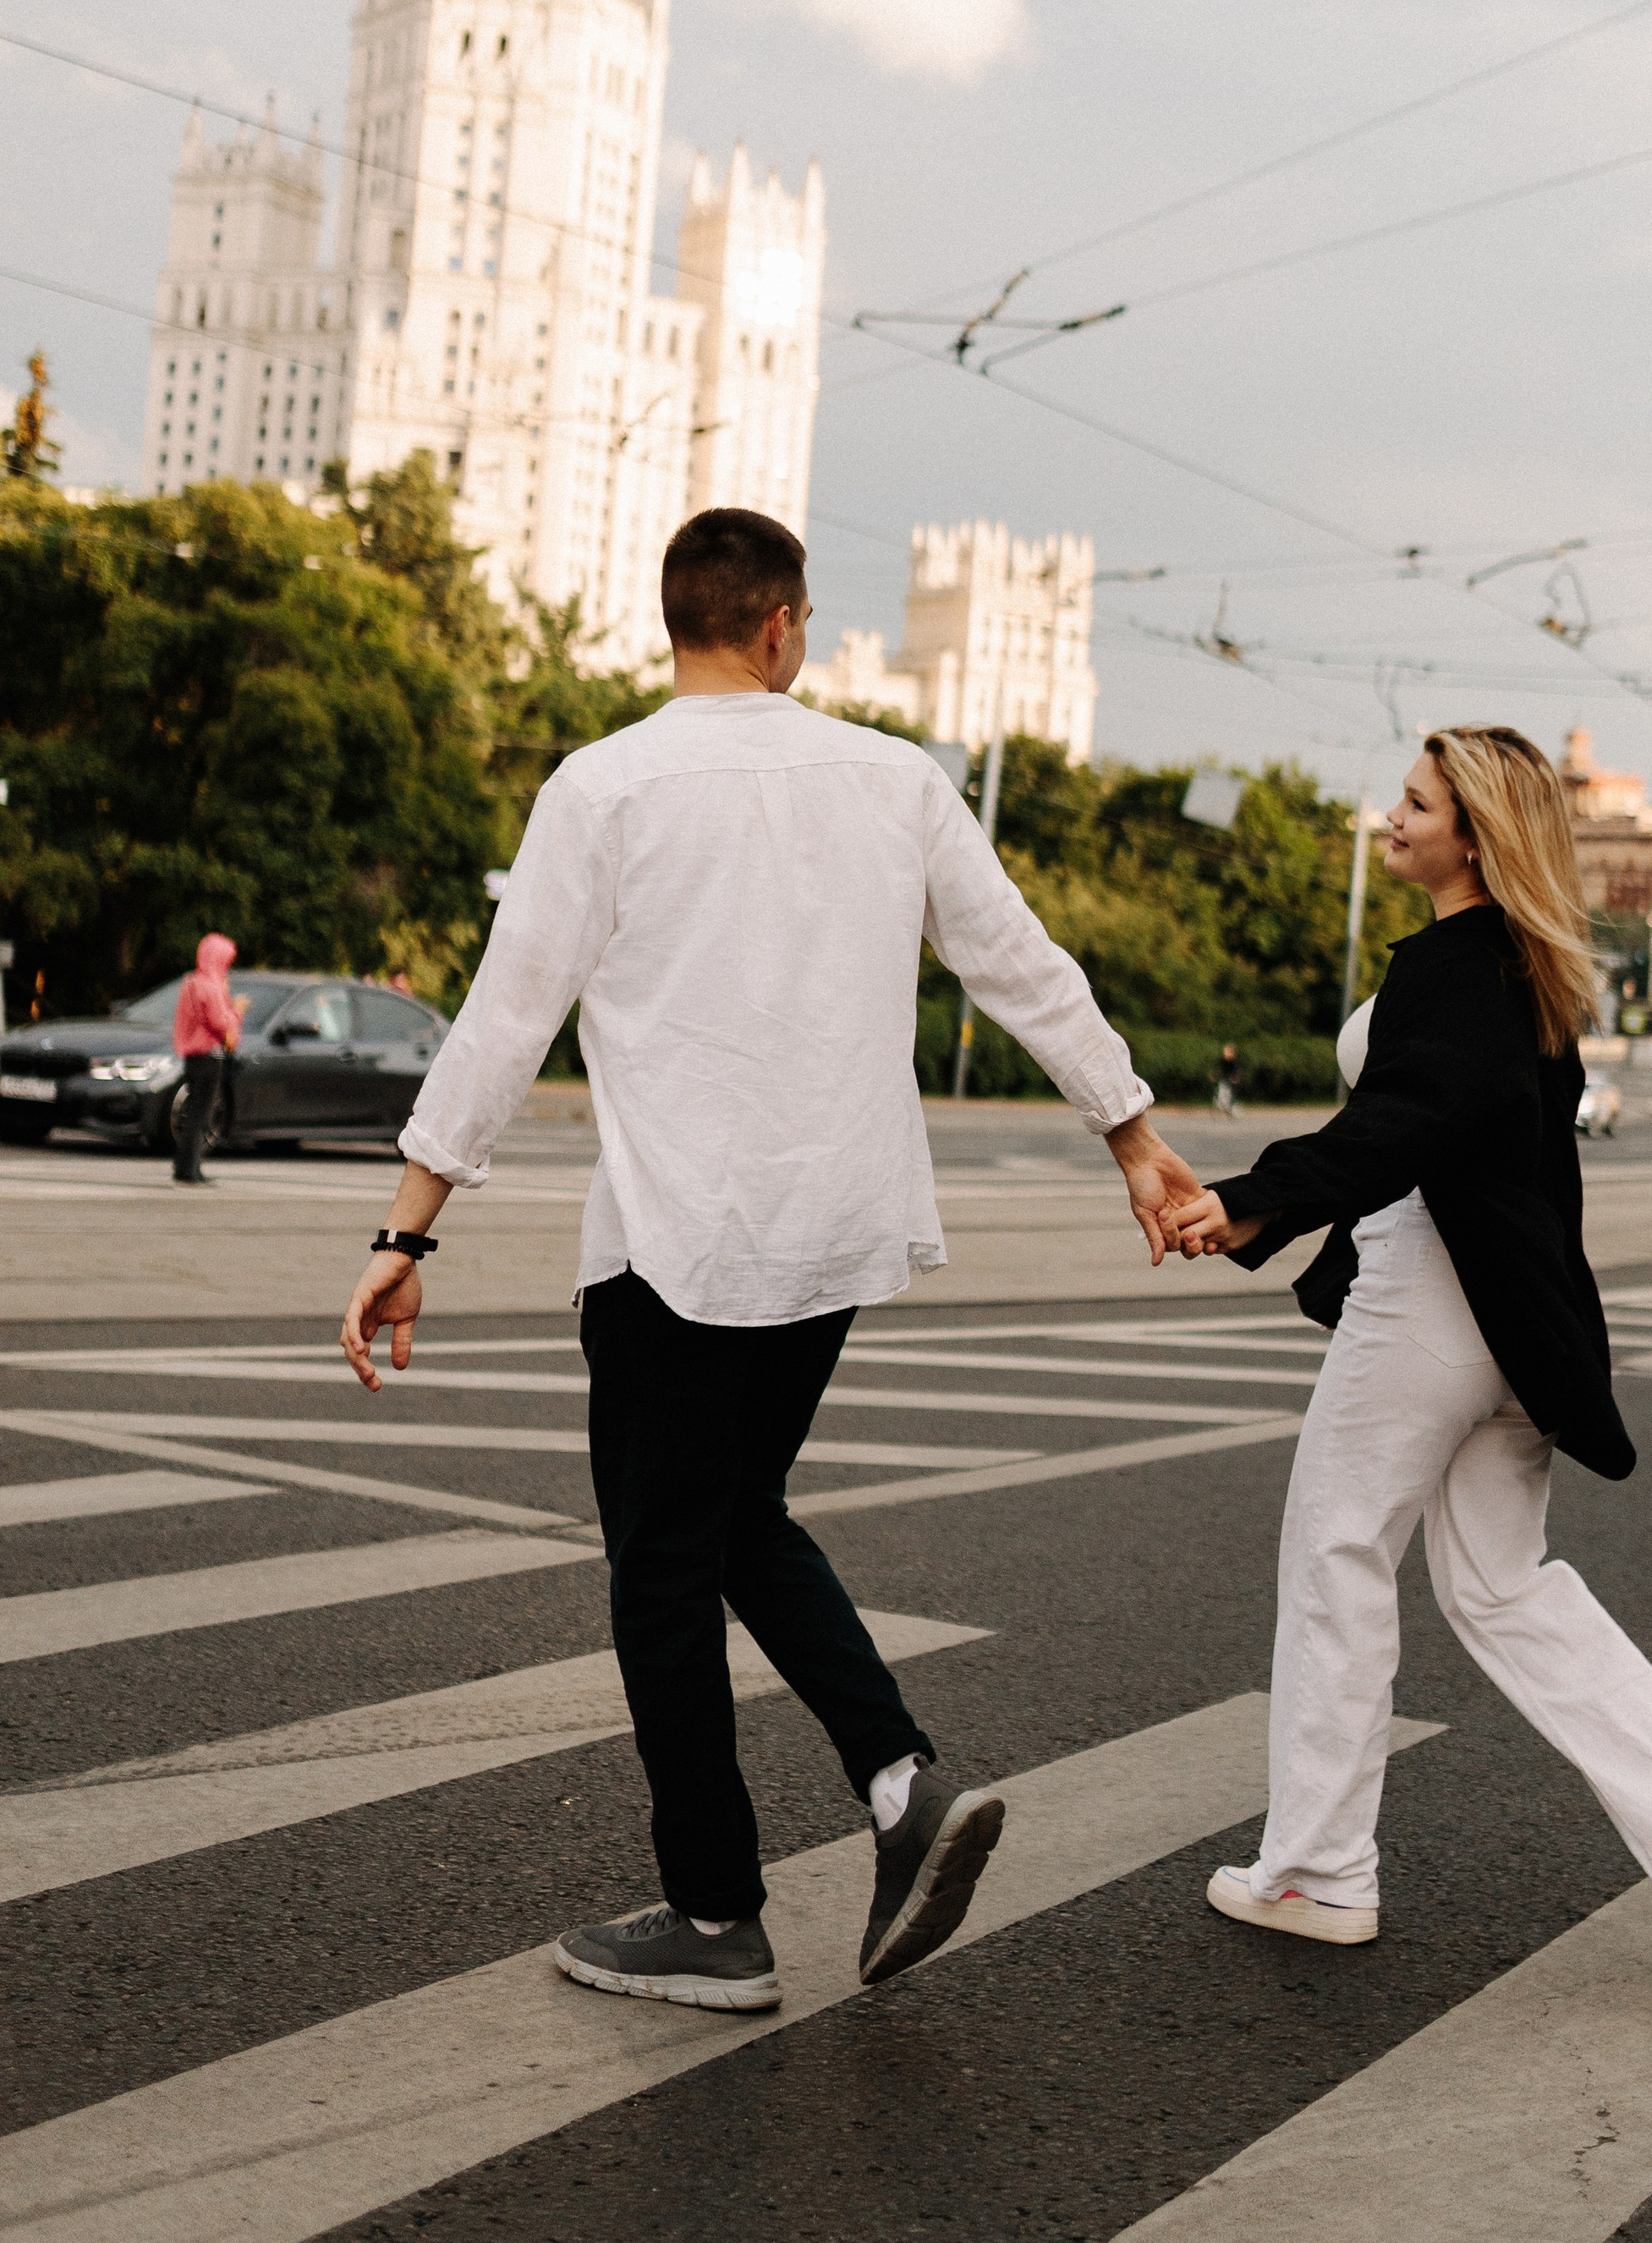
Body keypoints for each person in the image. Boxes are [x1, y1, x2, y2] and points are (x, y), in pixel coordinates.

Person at [339, 506, 1203, 2017]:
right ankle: (896, 1782)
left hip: (673, 1250)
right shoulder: (895, 780)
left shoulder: (602, 787)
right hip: (832, 1241)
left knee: (662, 1572)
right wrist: (1131, 1133)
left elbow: (503, 1016)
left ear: (673, 623)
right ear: (786, 626)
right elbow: (1018, 962)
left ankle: (715, 1916)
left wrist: (409, 1231)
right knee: (740, 1517)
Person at [1171, 726, 1652, 2001]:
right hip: (1510, 1327)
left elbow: (1399, 1127)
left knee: (1335, 1550)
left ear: (1476, 838)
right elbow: (1457, 1144)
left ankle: (1321, 1869)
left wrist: (1248, 1202)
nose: (1390, 818)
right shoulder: (1529, 974)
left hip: (1430, 1311)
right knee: (1504, 1587)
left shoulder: (1459, 967)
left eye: (1415, 803)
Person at [170, 932, 244, 1185]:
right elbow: (221, 1023)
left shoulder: (190, 982)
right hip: (209, 1057)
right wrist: (238, 1011)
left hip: (192, 1058)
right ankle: (190, 1170)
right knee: (201, 1116)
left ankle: (186, 1167)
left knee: (194, 1113)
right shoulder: (211, 987)